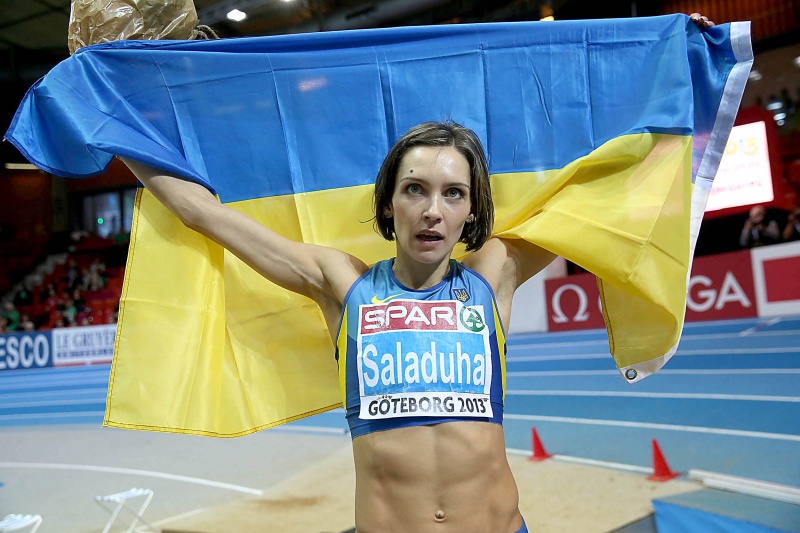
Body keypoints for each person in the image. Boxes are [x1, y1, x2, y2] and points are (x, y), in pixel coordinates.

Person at [119, 15, 715, 533]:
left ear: (472, 211)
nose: (433, 210)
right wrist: (111, 111)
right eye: (415, 189)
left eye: (453, 193)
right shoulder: (342, 284)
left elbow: (608, 192)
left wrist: (680, 65)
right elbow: (201, 212)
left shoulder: (494, 275)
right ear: (388, 203)